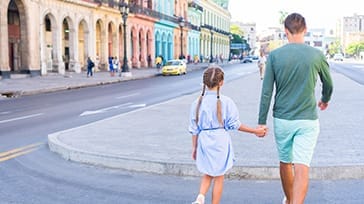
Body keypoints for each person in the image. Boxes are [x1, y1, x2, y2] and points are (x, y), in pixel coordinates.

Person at [257, 13, 333, 204]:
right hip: (307, 119)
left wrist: (261, 121)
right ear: (305, 30)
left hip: (282, 119)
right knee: (302, 166)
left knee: (285, 162)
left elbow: (266, 91)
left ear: (286, 32)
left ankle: (290, 200)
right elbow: (328, 83)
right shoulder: (317, 55)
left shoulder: (274, 56)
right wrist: (324, 99)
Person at [189, 66, 266, 204]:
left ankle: (200, 196)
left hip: (204, 141)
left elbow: (194, 129)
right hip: (220, 142)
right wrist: (255, 131)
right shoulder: (227, 102)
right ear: (221, 82)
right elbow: (236, 125)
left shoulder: (197, 103)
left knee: (207, 172)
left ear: (204, 83)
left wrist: (194, 148)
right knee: (219, 176)